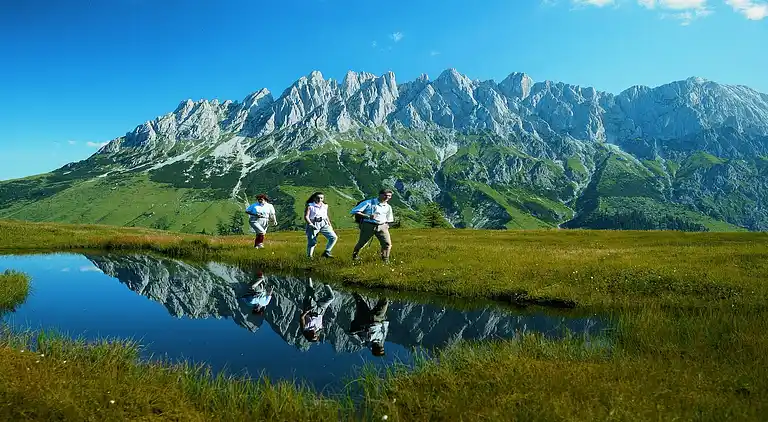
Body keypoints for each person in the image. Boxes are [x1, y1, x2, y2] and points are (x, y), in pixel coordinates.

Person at [350, 189, 395, 263]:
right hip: (368, 225)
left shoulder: (388, 207)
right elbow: (354, 211)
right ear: (380, 195)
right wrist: (367, 216)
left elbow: (389, 219)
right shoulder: (368, 203)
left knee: (387, 244)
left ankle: (385, 260)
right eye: (385, 195)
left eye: (389, 196)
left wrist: (387, 226)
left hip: (382, 226)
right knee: (362, 243)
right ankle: (355, 257)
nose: (387, 197)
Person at [349, 293, 390, 357]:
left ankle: (350, 285)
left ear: (374, 349)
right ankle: (380, 288)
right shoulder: (381, 340)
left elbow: (352, 333)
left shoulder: (362, 342)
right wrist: (384, 321)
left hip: (364, 320)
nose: (381, 346)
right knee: (384, 302)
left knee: (358, 298)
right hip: (377, 319)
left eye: (380, 348)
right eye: (382, 348)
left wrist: (362, 329)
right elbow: (384, 330)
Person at [299, 277, 335, 343]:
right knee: (331, 297)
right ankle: (325, 283)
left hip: (310, 309)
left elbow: (301, 317)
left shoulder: (305, 329)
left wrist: (307, 311)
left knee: (310, 291)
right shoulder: (317, 329)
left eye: (313, 336)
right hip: (321, 310)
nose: (314, 335)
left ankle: (308, 273)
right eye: (315, 336)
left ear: (309, 336)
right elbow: (320, 324)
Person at [304, 191, 338, 259]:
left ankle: (327, 252)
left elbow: (326, 215)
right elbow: (306, 216)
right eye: (318, 198)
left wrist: (329, 225)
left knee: (333, 237)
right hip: (313, 223)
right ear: (314, 198)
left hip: (324, 222)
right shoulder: (310, 205)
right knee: (312, 241)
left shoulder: (325, 205)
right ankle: (309, 257)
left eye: (321, 198)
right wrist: (310, 224)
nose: (320, 200)